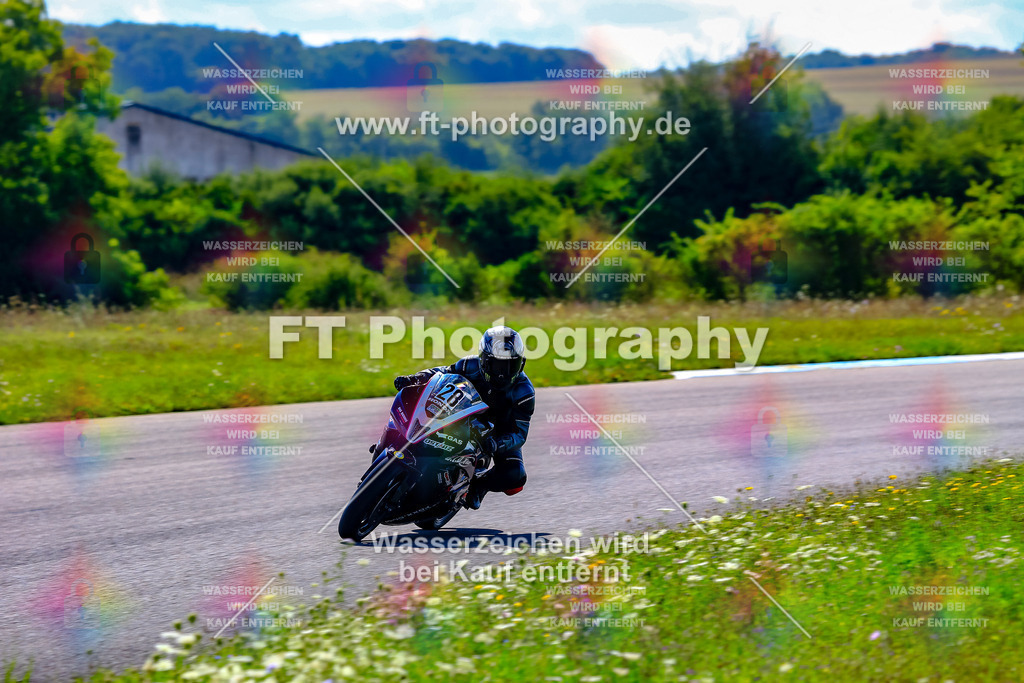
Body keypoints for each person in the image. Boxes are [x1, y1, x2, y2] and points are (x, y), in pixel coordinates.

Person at [372, 326, 534, 510]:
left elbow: (520, 434)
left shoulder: (524, 392)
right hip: (462, 413)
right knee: (409, 414)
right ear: (484, 360)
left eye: (510, 366)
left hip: (497, 432)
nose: (503, 373)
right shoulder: (469, 365)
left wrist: (498, 444)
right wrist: (414, 379)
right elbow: (440, 374)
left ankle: (478, 487)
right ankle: (385, 449)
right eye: (498, 365)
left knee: (515, 477)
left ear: (521, 363)